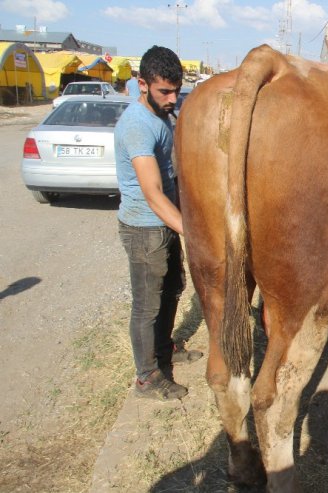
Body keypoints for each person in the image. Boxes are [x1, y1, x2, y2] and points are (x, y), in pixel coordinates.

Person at [115, 46, 202, 400]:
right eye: (164, 91)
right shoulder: (137, 126)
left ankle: (165, 351)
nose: (172, 98)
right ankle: (147, 377)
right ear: (142, 84)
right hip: (144, 228)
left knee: (173, 290)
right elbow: (152, 193)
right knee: (147, 305)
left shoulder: (164, 116)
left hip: (164, 224)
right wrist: (193, 232)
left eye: (176, 90)